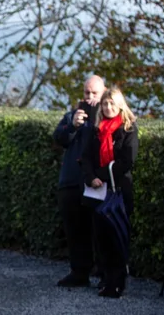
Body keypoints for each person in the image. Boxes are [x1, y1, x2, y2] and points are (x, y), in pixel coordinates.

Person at [80, 88, 138, 298]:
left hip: (117, 190)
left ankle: (117, 281)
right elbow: (85, 156)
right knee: (100, 237)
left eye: (112, 104)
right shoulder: (97, 130)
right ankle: (105, 278)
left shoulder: (128, 129)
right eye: (105, 104)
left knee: (116, 237)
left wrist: (101, 175)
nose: (108, 107)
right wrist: (91, 177)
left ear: (120, 105)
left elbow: (127, 161)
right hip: (97, 191)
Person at [52, 74, 105, 287]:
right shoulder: (72, 115)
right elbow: (59, 138)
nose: (90, 97)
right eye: (87, 93)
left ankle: (104, 273)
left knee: (100, 229)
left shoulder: (107, 117)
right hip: (72, 181)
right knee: (74, 229)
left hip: (96, 181)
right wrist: (73, 125)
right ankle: (79, 271)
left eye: (95, 93)